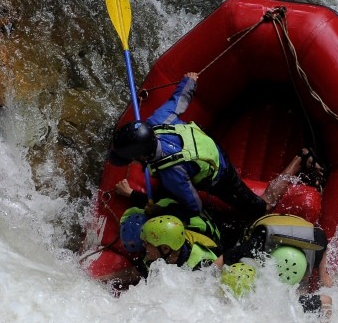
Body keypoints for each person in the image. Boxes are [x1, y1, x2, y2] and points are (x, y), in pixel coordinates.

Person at [108, 72, 269, 224]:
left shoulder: (171, 172)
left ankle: (262, 209)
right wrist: (189, 82)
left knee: (247, 202)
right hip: (206, 145)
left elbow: (194, 207)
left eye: (130, 159)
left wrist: (160, 211)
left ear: (142, 156)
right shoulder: (157, 121)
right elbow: (178, 100)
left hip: (220, 174)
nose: (130, 162)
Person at [219, 212, 333, 317]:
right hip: (266, 227)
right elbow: (221, 260)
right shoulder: (256, 245)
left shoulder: (316, 246)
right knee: (325, 301)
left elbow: (322, 282)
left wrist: (323, 273)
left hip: (305, 232)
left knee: (321, 300)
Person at [140, 215, 223, 272]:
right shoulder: (154, 255)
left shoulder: (202, 266)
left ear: (165, 248)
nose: (143, 245)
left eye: (147, 243)